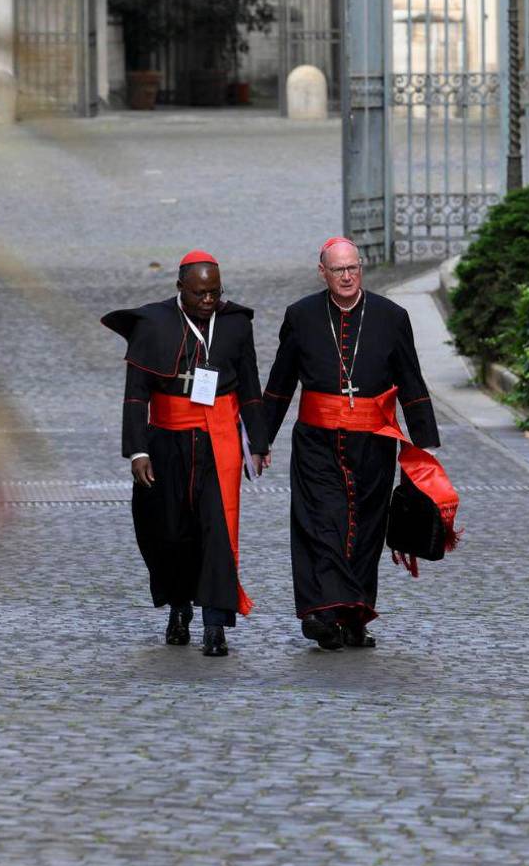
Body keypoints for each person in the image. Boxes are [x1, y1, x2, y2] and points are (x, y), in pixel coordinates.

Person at [263, 236, 459, 650]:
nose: (348, 276)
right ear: (323, 273)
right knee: (322, 523)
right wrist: (261, 439)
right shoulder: (301, 316)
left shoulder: (391, 316)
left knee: (367, 528)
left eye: (354, 268)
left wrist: (424, 444)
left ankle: (354, 618)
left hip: (373, 442)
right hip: (316, 442)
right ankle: (321, 613)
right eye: (339, 270)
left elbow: (410, 379)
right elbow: (280, 384)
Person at [102, 250, 271, 657]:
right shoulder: (153, 324)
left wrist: (260, 443)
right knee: (170, 532)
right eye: (200, 294)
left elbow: (249, 386)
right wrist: (138, 451)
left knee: (217, 529)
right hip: (166, 442)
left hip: (218, 441)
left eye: (215, 292)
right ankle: (179, 610)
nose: (209, 301)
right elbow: (135, 395)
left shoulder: (235, 324)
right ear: (181, 289)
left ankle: (215, 624)